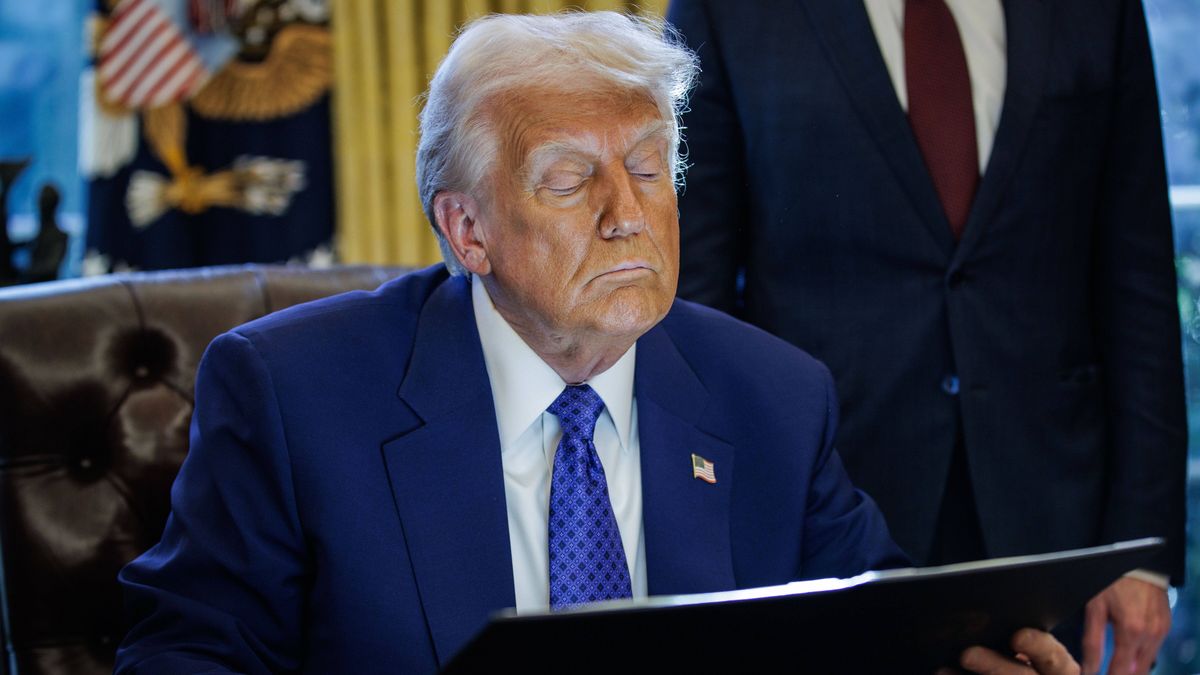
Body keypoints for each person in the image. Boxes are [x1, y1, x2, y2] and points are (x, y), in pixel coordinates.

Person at [116, 11, 1081, 674]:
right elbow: (185, 652)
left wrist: (970, 657)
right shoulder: (295, 395)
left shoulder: (772, 397)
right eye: (572, 180)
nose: (629, 217)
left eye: (650, 170)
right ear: (468, 231)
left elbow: (884, 627)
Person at [666, 1, 1185, 673]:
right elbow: (695, 297)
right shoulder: (729, 10)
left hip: (1052, 515)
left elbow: (1136, 270)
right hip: (828, 511)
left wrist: (1144, 547)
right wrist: (713, 536)